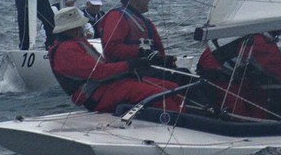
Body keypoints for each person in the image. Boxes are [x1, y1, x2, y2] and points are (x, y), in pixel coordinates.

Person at [48, 6, 184, 114]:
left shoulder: (76, 43)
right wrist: (130, 65)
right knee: (159, 95)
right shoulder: (66, 51)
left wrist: (137, 64)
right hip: (97, 95)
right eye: (79, 26)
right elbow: (98, 72)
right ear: (72, 28)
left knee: (172, 88)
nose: (82, 28)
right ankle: (179, 126)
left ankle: (187, 118)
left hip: (109, 86)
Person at [197, 30, 281, 120]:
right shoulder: (260, 44)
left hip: (227, 70)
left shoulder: (253, 32)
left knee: (258, 96)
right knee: (238, 115)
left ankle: (260, 120)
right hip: (219, 74)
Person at [99, 0, 176, 66]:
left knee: (183, 74)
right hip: (128, 73)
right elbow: (111, 50)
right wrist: (141, 52)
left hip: (148, 71)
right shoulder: (117, 17)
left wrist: (164, 60)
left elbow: (159, 50)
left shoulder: (147, 23)